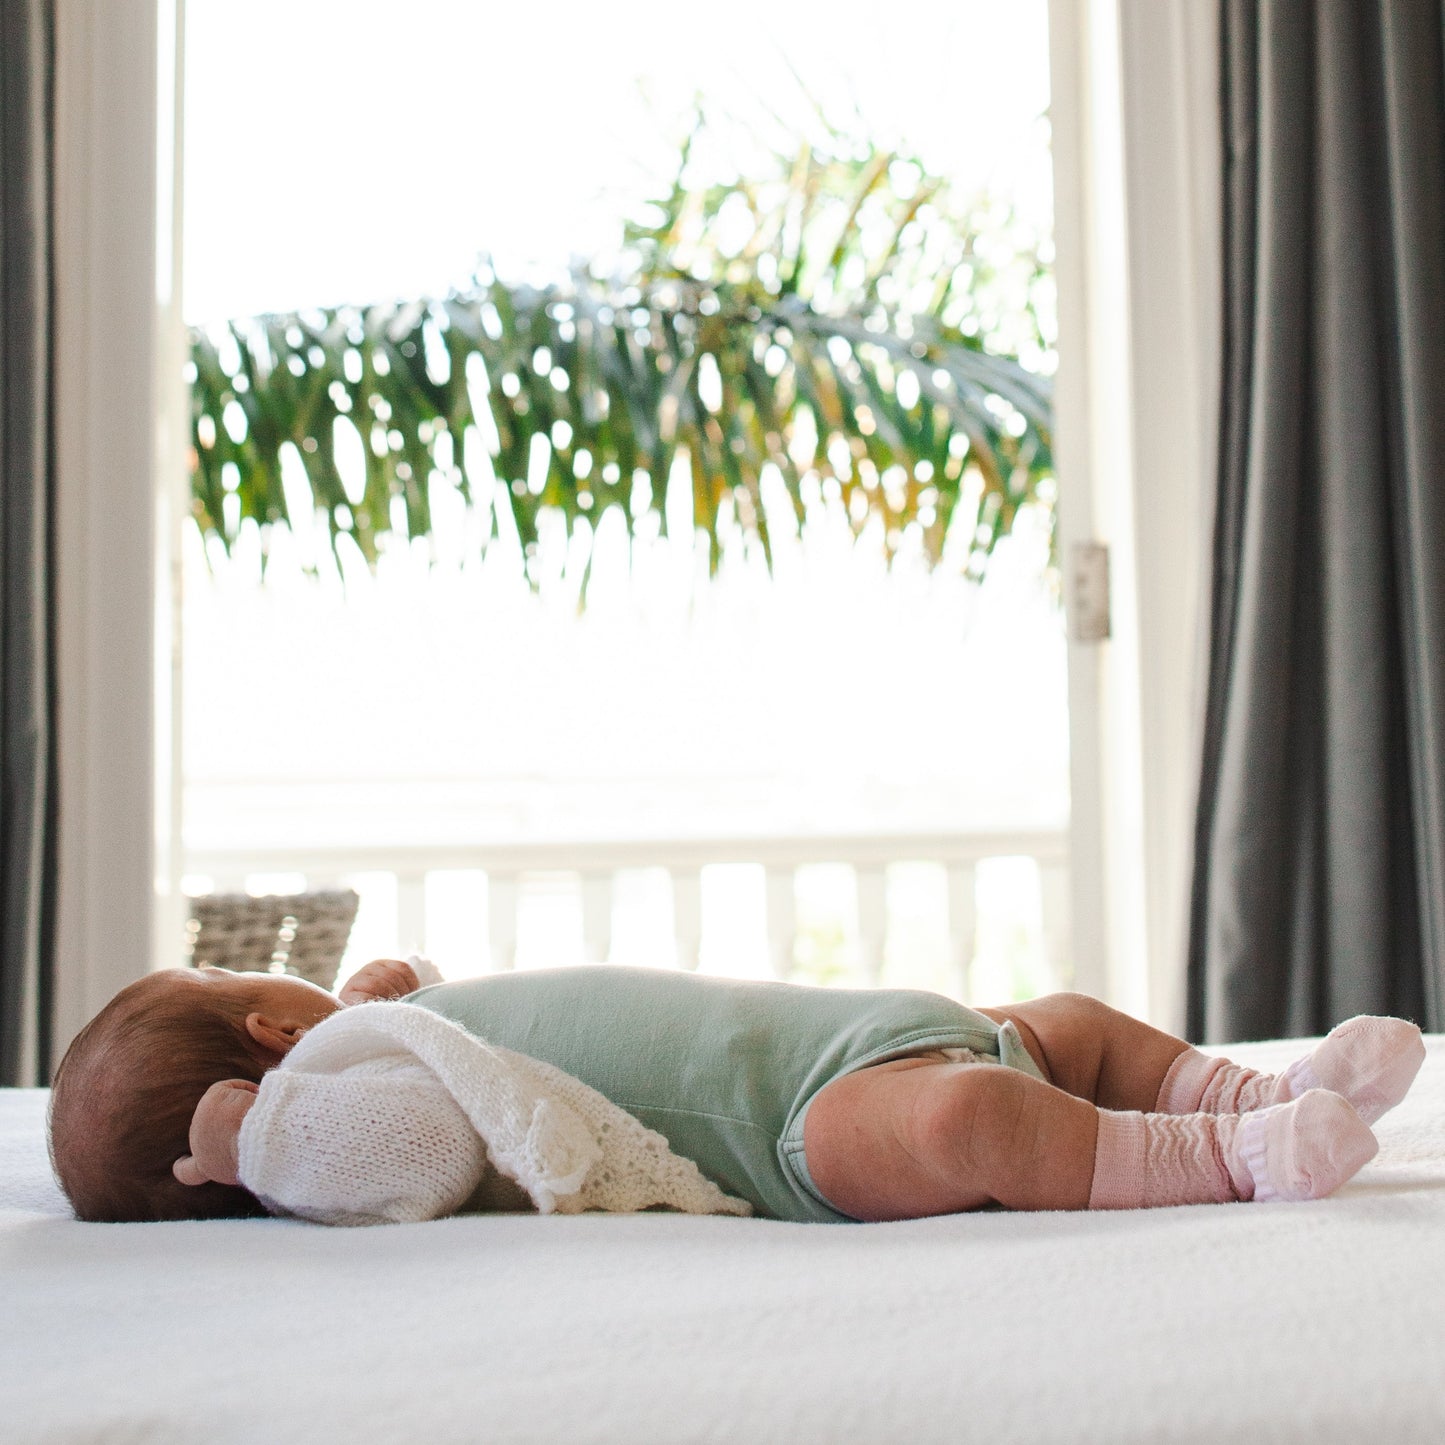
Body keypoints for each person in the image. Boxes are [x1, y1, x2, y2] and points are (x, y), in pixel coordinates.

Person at [48, 956, 1424, 1225]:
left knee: (1058, 1024)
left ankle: (1262, 1085)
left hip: (867, 1025)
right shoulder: (327, 1124)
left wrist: (379, 998)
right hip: (790, 1130)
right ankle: (1225, 1153)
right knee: (965, 1121)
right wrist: (253, 1134)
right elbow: (393, 1153)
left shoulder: (382, 1035)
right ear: (262, 1034)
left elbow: (427, 1031)